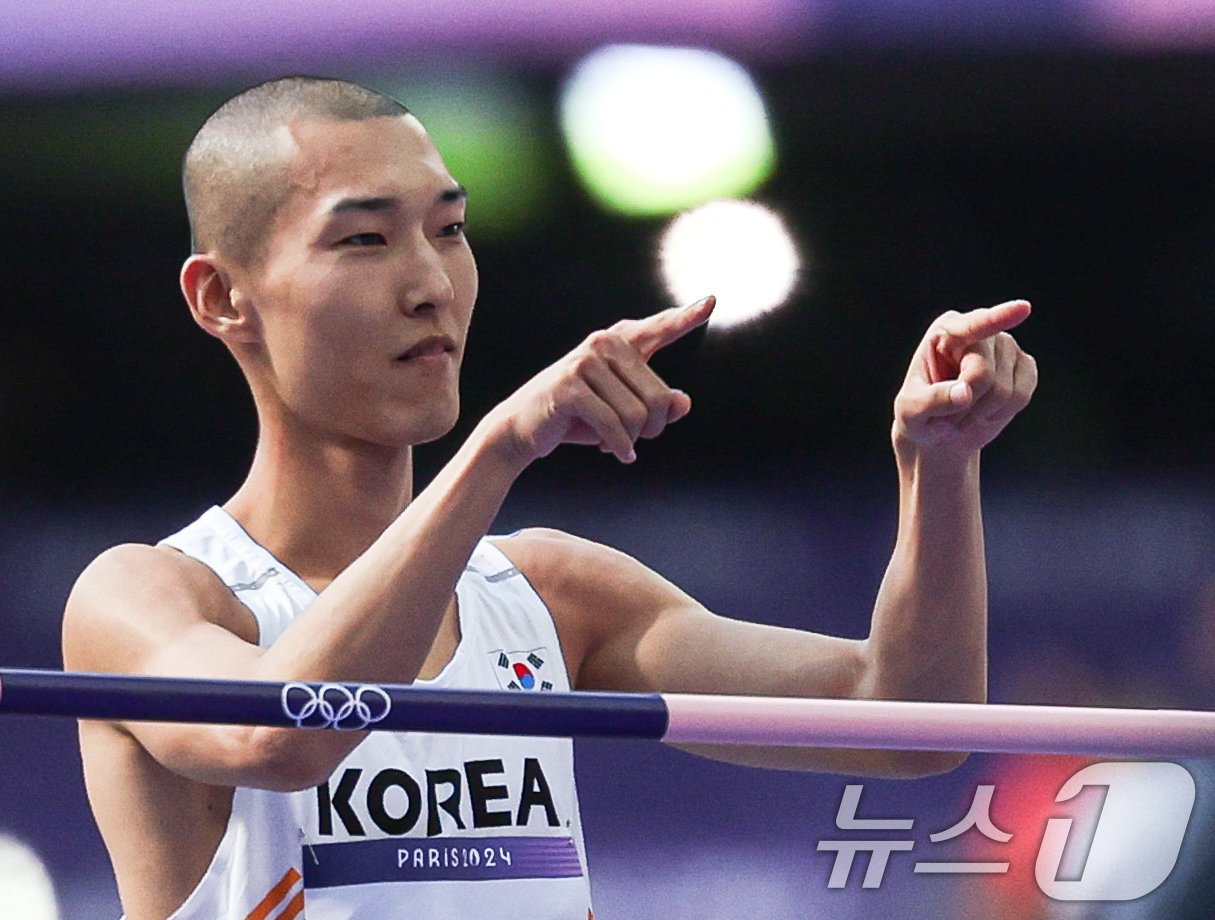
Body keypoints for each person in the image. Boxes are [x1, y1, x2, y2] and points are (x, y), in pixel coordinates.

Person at [61, 77, 1037, 920]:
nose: (430, 283)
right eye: (363, 239)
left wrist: (937, 466)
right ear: (221, 297)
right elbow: (282, 733)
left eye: (450, 229)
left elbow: (907, 726)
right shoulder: (149, 600)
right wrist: (496, 449)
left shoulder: (550, 595)